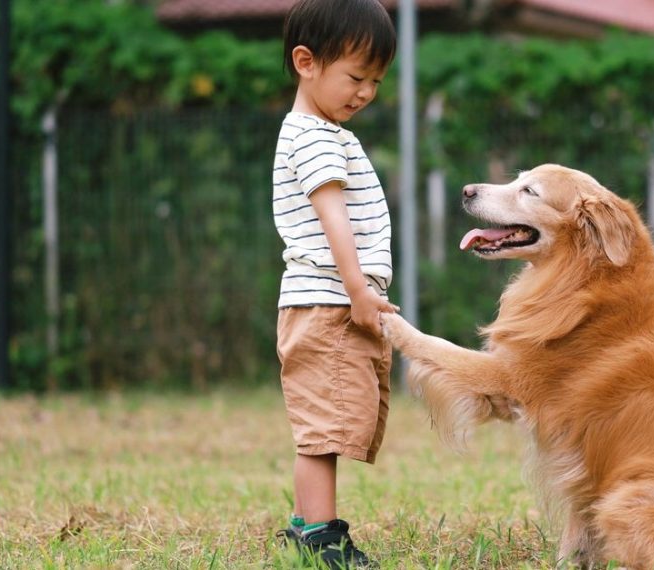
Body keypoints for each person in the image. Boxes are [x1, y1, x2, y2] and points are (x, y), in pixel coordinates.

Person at [271, 0, 398, 567]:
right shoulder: (318, 138)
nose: (365, 92)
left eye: (375, 80)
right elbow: (333, 220)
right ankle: (319, 538)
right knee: (324, 430)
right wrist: (357, 290)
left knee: (326, 421)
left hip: (326, 301)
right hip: (329, 304)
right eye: (356, 76)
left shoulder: (319, 132)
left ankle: (305, 524)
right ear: (306, 62)